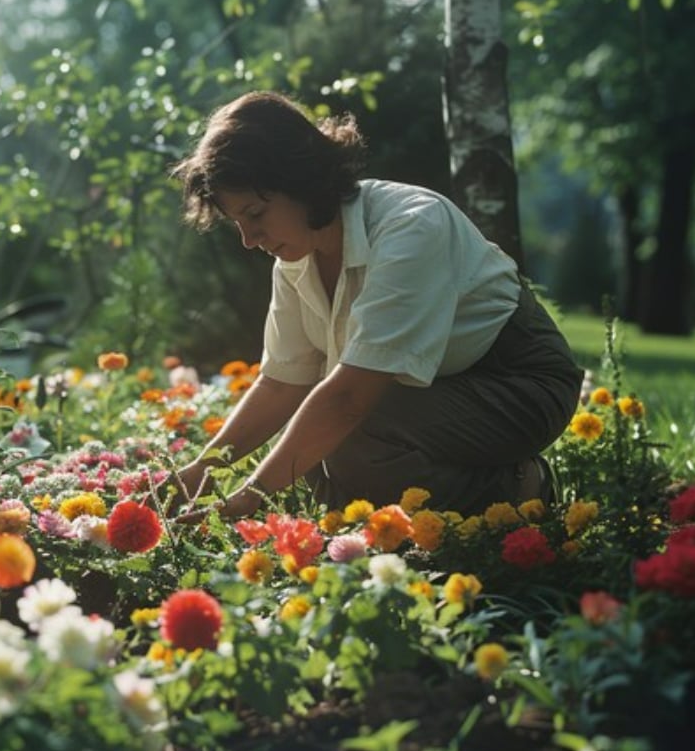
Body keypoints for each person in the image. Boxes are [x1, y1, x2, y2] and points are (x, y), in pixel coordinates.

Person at [168, 90, 583, 521]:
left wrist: (250, 496)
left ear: (298, 178)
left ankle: (521, 489)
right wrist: (201, 470)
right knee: (312, 455)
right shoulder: (295, 255)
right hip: (434, 393)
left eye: (255, 214)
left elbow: (348, 399)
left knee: (347, 435)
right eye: (237, 223)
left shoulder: (411, 225)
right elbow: (280, 384)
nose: (249, 240)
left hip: (518, 383)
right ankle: (395, 529)